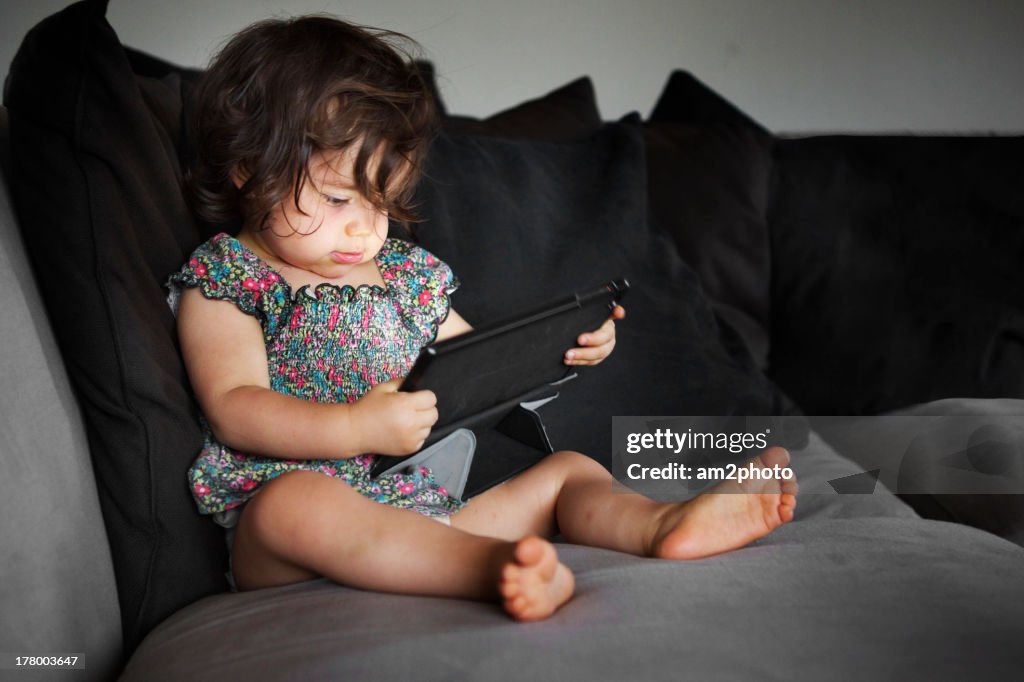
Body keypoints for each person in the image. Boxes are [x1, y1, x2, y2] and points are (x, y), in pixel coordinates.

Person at [167, 15, 798, 622]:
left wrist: (564, 349)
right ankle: (492, 567)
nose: (364, 227)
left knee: (568, 473)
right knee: (293, 505)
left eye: (382, 202)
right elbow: (235, 405)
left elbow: (479, 367)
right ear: (250, 168)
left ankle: (658, 525)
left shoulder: (403, 276)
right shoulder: (228, 279)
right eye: (337, 198)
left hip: (426, 507)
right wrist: (355, 427)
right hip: (297, 536)